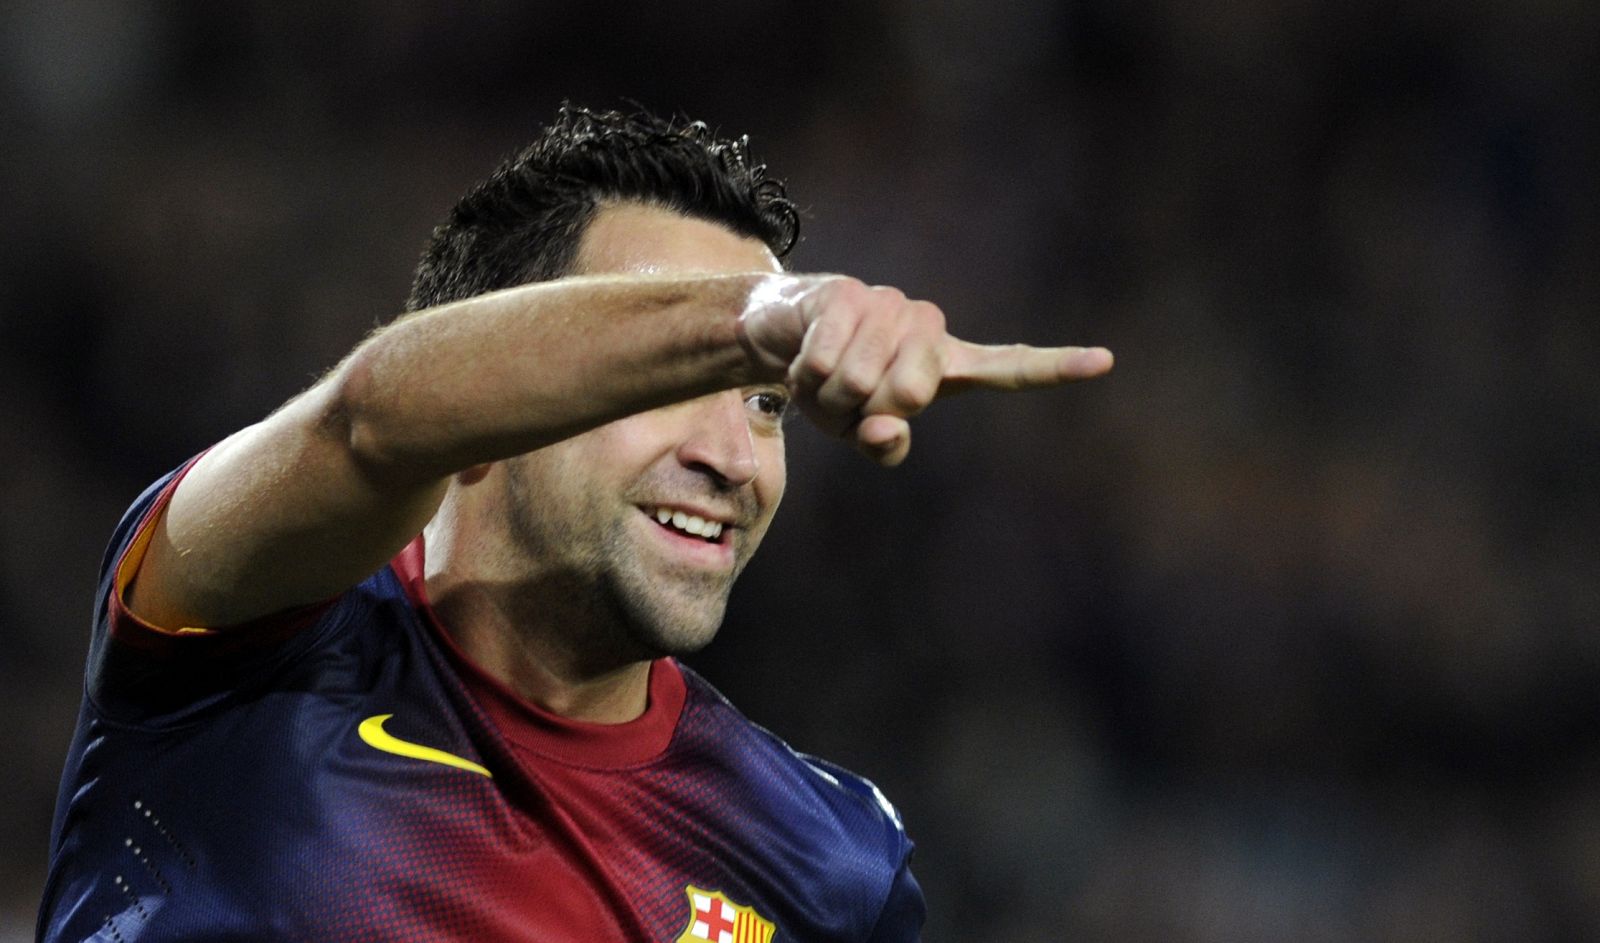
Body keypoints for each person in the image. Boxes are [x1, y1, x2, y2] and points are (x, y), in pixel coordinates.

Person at [37, 105, 1113, 942]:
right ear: (495, 403)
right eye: (662, 379)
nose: (732, 459)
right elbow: (371, 419)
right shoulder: (241, 635)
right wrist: (753, 323)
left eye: (765, 401)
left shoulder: (829, 859)